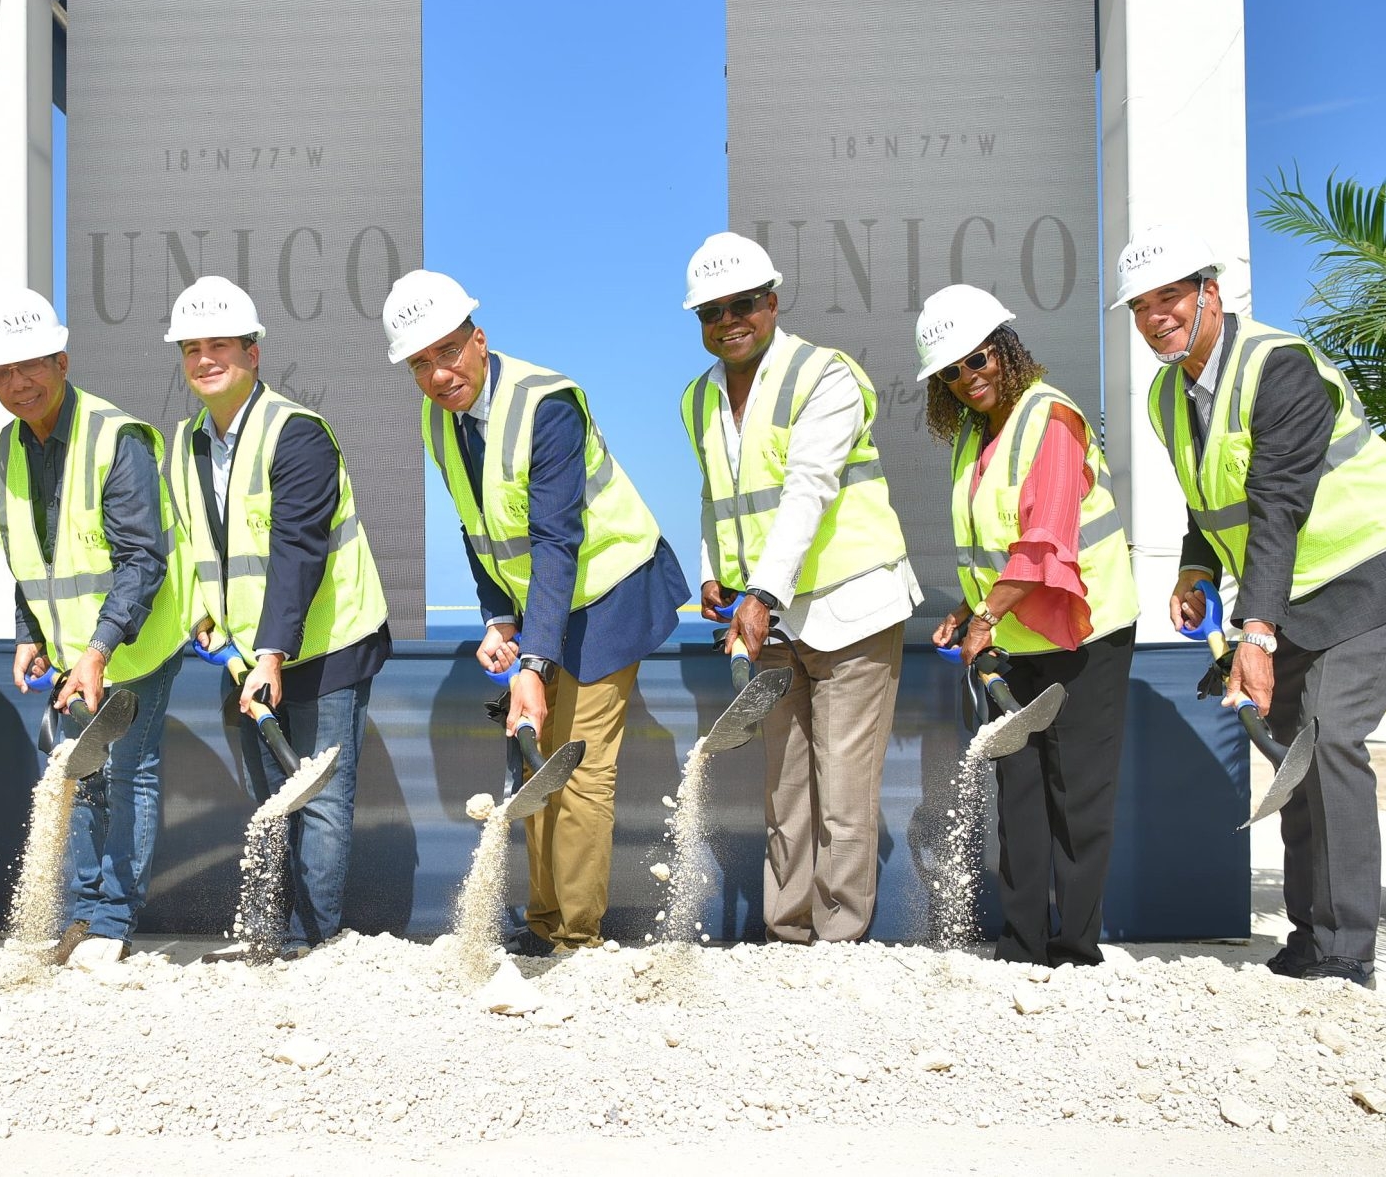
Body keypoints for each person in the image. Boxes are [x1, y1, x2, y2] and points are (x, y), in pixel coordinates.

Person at [1116, 224, 1386, 988]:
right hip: (1298, 594)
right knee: (1296, 755)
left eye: (1169, 296)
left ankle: (1344, 954)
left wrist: (1254, 630)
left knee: (1328, 742)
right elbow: (1209, 501)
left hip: (1371, 572)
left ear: (1211, 292)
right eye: (1139, 305)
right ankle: (1312, 939)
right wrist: (1196, 573)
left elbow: (1276, 504)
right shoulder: (1169, 393)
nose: (1154, 316)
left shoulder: (1279, 366)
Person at [389, 269, 688, 956]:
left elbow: (558, 541)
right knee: (533, 758)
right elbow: (477, 526)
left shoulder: (547, 405)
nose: (439, 373)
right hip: (546, 606)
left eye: (449, 351)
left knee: (577, 766)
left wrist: (532, 661)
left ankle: (575, 940)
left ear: (479, 339)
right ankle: (545, 921)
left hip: (611, 589)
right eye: (421, 363)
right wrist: (497, 617)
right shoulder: (441, 421)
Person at [678, 232, 920, 945]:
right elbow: (718, 496)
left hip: (851, 608)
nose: (729, 321)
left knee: (843, 792)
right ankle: (787, 935)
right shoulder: (698, 400)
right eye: (711, 311)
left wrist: (761, 596)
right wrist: (717, 573)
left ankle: (838, 941)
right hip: (776, 621)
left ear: (772, 302)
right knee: (785, 791)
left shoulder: (825, 377)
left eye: (743, 304)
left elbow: (808, 491)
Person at [161, 276, 391, 961]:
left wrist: (271, 655)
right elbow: (189, 542)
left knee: (318, 801)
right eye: (191, 348)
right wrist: (201, 616)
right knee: (268, 797)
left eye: (220, 345)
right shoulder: (187, 442)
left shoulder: (298, 434)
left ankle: (319, 948)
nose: (204, 359)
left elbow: (299, 552)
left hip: (324, 642)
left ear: (253, 352)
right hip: (246, 654)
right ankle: (268, 940)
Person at [914, 284, 1139, 966]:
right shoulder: (975, 435)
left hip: (1084, 636)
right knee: (1019, 794)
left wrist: (986, 614)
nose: (968, 377)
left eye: (977, 358)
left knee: (1078, 794)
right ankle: (1019, 944)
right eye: (951, 371)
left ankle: (1073, 950)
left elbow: (1044, 542)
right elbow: (997, 546)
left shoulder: (1052, 418)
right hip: (1015, 639)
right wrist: (968, 607)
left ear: (1005, 347)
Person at [0, 286, 190, 964]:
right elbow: (32, 551)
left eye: (29, 365)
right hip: (71, 647)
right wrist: (28, 630)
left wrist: (98, 649)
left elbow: (141, 558)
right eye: (1, 372)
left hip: (136, 641)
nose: (17, 383)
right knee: (77, 774)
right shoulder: (6, 447)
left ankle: (111, 921)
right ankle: (78, 914)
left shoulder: (114, 437)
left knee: (130, 772)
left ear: (61, 361)